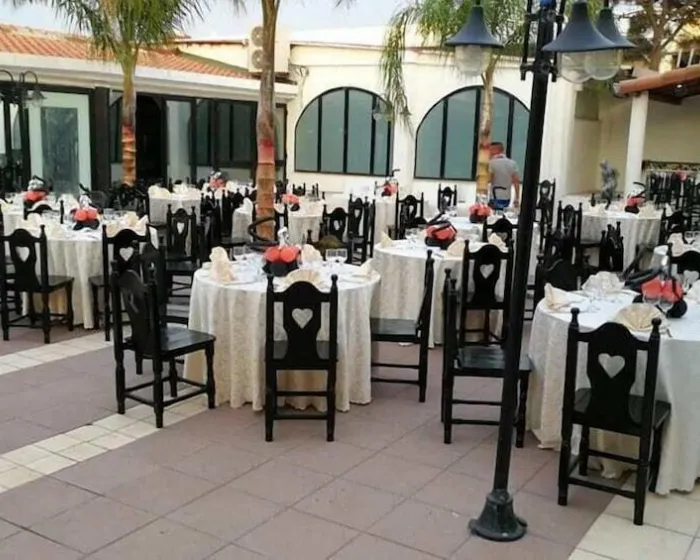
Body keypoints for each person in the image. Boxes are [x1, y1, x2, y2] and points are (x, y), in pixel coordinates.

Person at [488, 142, 520, 210]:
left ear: (495, 150)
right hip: (507, 196)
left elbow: (489, 179)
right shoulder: (513, 163)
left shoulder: (491, 163)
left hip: (494, 196)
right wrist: (517, 198)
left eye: (490, 150)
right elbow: (516, 182)